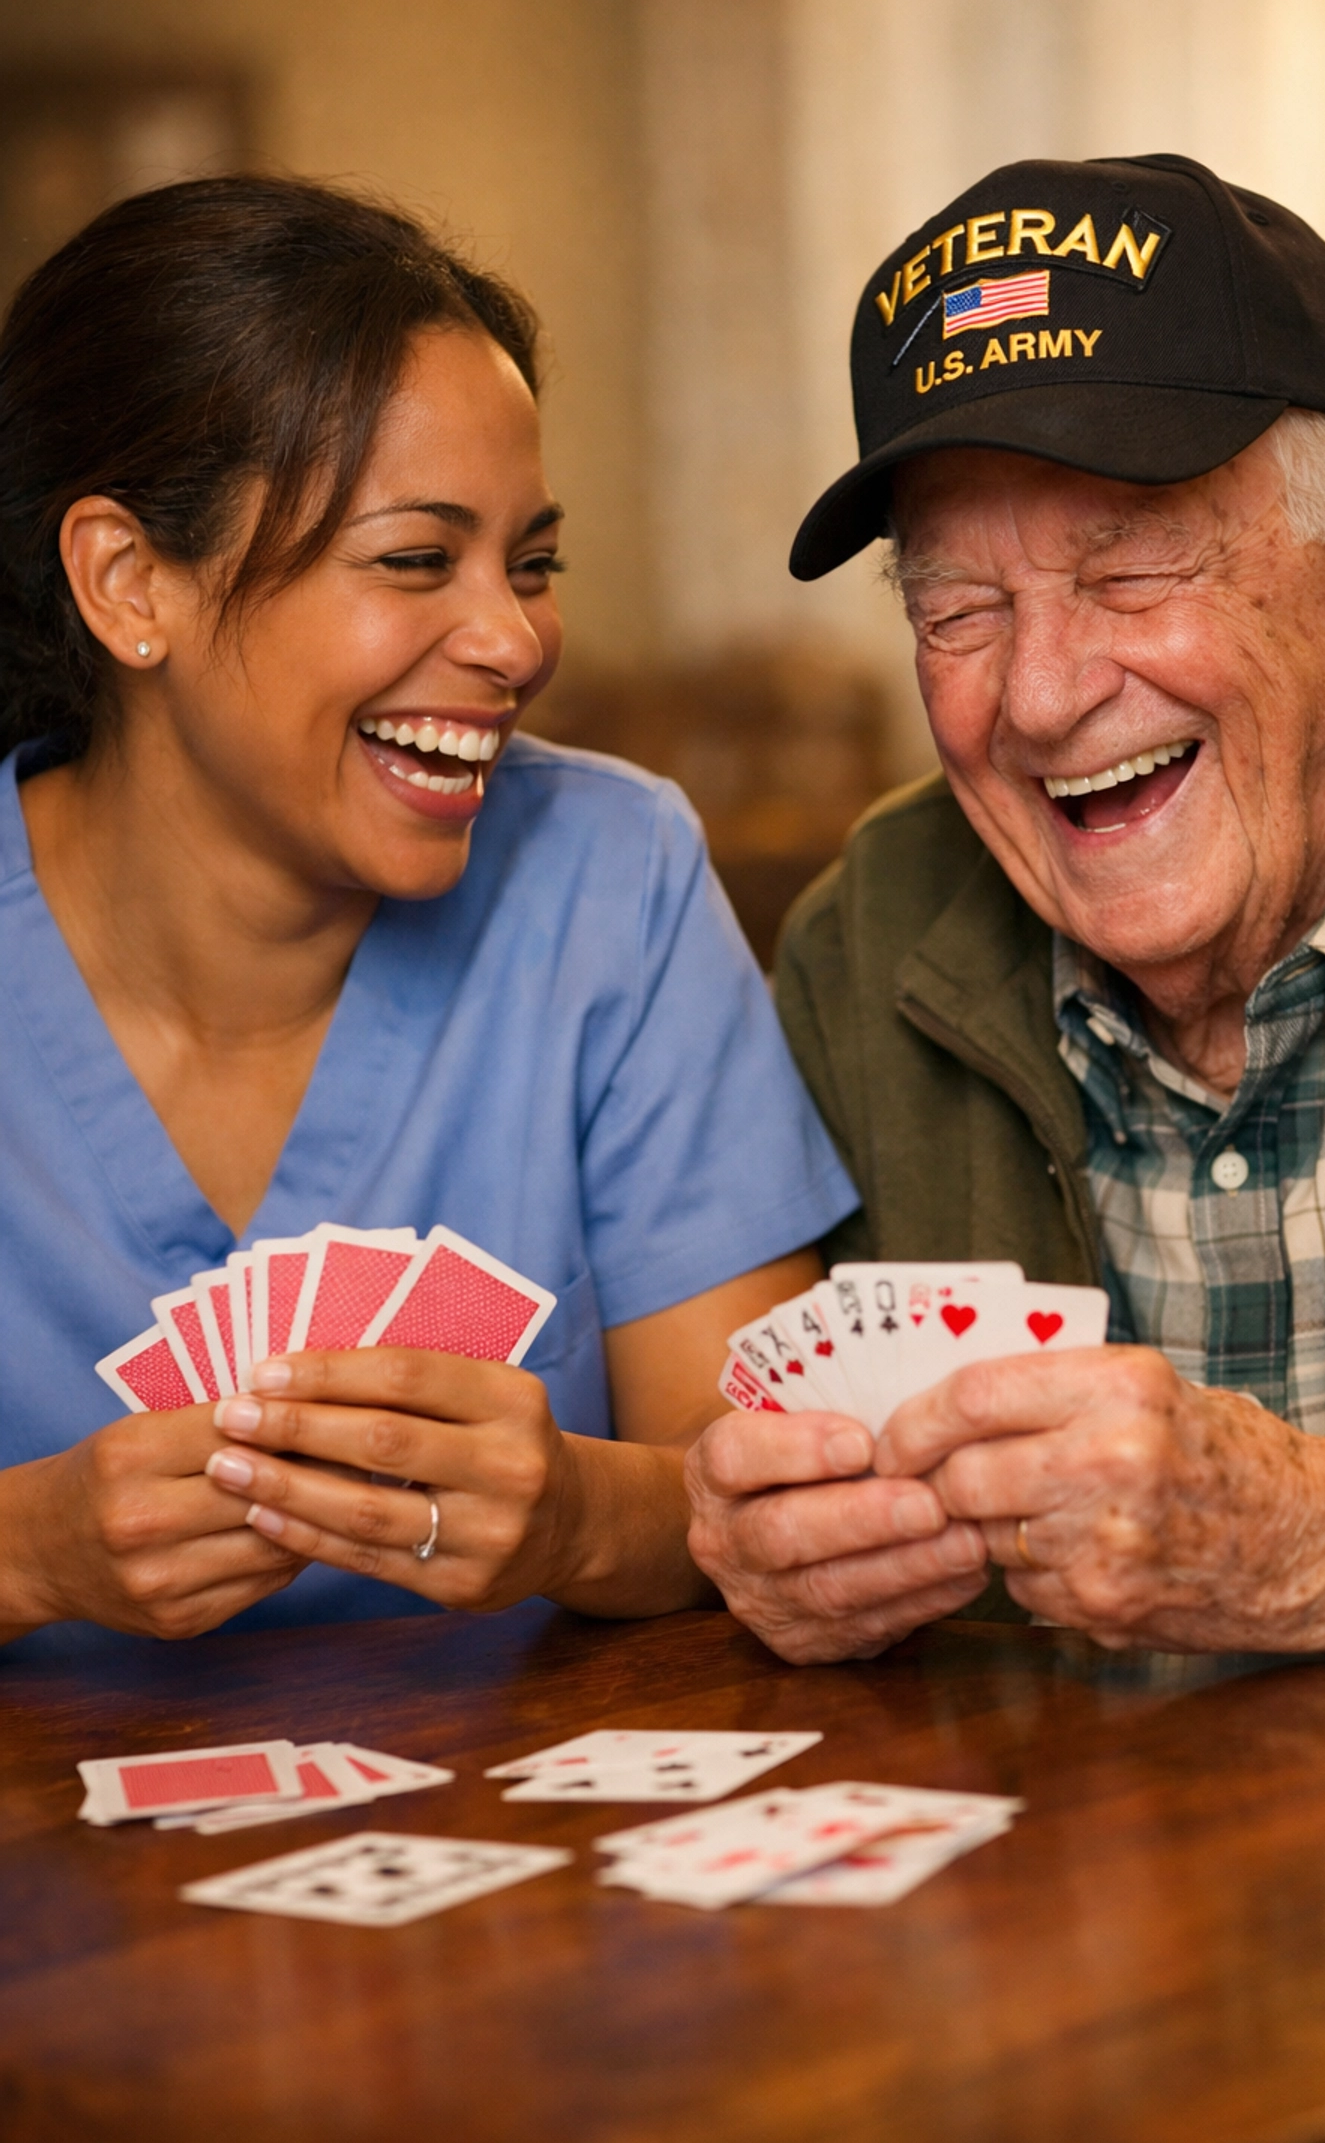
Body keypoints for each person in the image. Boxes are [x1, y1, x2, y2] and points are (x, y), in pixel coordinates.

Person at [687, 151, 1325, 1667]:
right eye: (957, 609)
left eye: (1133, 567)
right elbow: (791, 1474)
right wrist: (775, 1549)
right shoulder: (870, 941)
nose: (1041, 693)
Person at [0, 174, 855, 1659]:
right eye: (414, 559)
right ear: (131, 583)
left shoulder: (613, 875)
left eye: (532, 565)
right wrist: (27, 1557)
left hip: (545, 1874)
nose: (514, 640)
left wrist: (581, 1516)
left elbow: (772, 1498)